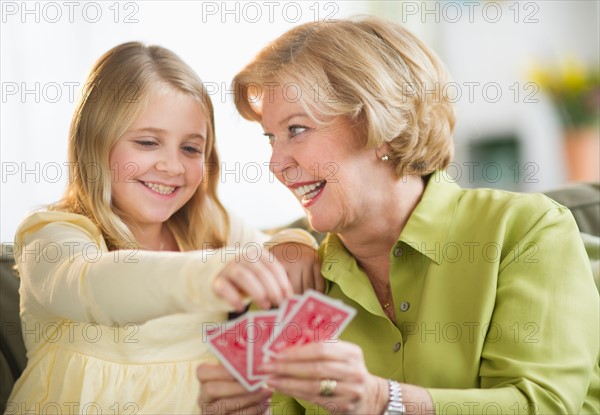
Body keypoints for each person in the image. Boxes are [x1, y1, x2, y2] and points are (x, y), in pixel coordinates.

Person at [197, 16, 600, 415]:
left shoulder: (527, 231)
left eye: (297, 129)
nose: (276, 162)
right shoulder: (296, 275)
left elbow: (541, 405)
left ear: (382, 124)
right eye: (271, 138)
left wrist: (382, 401)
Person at [5, 42, 323, 414]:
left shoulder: (209, 227)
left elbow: (270, 248)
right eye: (148, 142)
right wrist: (217, 270)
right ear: (95, 143)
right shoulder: (51, 236)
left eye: (190, 149)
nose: (172, 166)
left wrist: (293, 246)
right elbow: (94, 285)